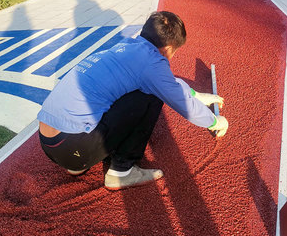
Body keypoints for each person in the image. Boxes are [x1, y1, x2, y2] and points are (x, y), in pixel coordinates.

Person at [37, 11, 229, 191]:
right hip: (73, 148)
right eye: (175, 52)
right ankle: (121, 171)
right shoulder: (152, 62)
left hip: (49, 144)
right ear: (169, 48)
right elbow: (180, 101)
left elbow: (169, 83)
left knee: (133, 90)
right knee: (150, 96)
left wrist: (196, 95)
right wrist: (214, 121)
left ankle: (77, 165)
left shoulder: (125, 47)